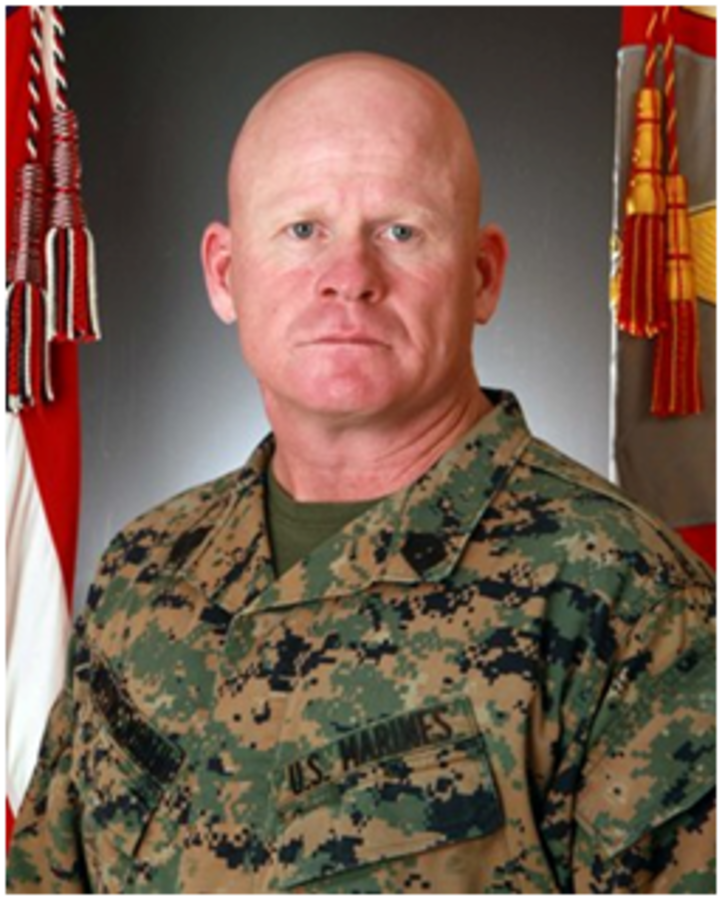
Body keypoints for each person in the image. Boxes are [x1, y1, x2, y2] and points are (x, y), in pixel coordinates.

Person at [1, 51, 719, 899]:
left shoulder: (631, 605)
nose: (349, 277)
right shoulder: (145, 571)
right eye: (303, 229)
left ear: (482, 277)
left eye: (400, 231)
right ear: (225, 275)